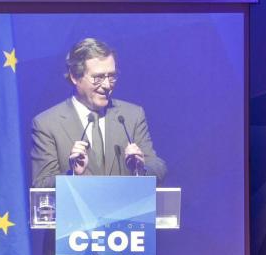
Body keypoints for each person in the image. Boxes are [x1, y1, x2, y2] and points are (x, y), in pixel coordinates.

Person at [31, 38, 167, 188]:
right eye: (98, 77)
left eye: (111, 76)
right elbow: (41, 185)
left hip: (126, 209)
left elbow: (158, 167)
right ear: (75, 76)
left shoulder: (132, 115)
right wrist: (74, 175)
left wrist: (141, 170)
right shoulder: (47, 123)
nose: (107, 85)